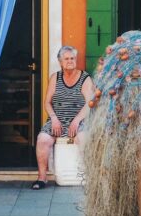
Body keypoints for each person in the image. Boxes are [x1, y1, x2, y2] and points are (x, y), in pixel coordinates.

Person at [32, 46, 95, 189]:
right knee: (42, 139)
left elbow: (89, 104)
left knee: (84, 138)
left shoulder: (85, 78)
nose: (70, 61)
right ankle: (42, 178)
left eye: (72, 58)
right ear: (60, 62)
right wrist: (53, 118)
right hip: (57, 120)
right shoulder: (55, 77)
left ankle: (89, 176)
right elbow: (47, 102)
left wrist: (76, 121)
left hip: (79, 120)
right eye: (66, 59)